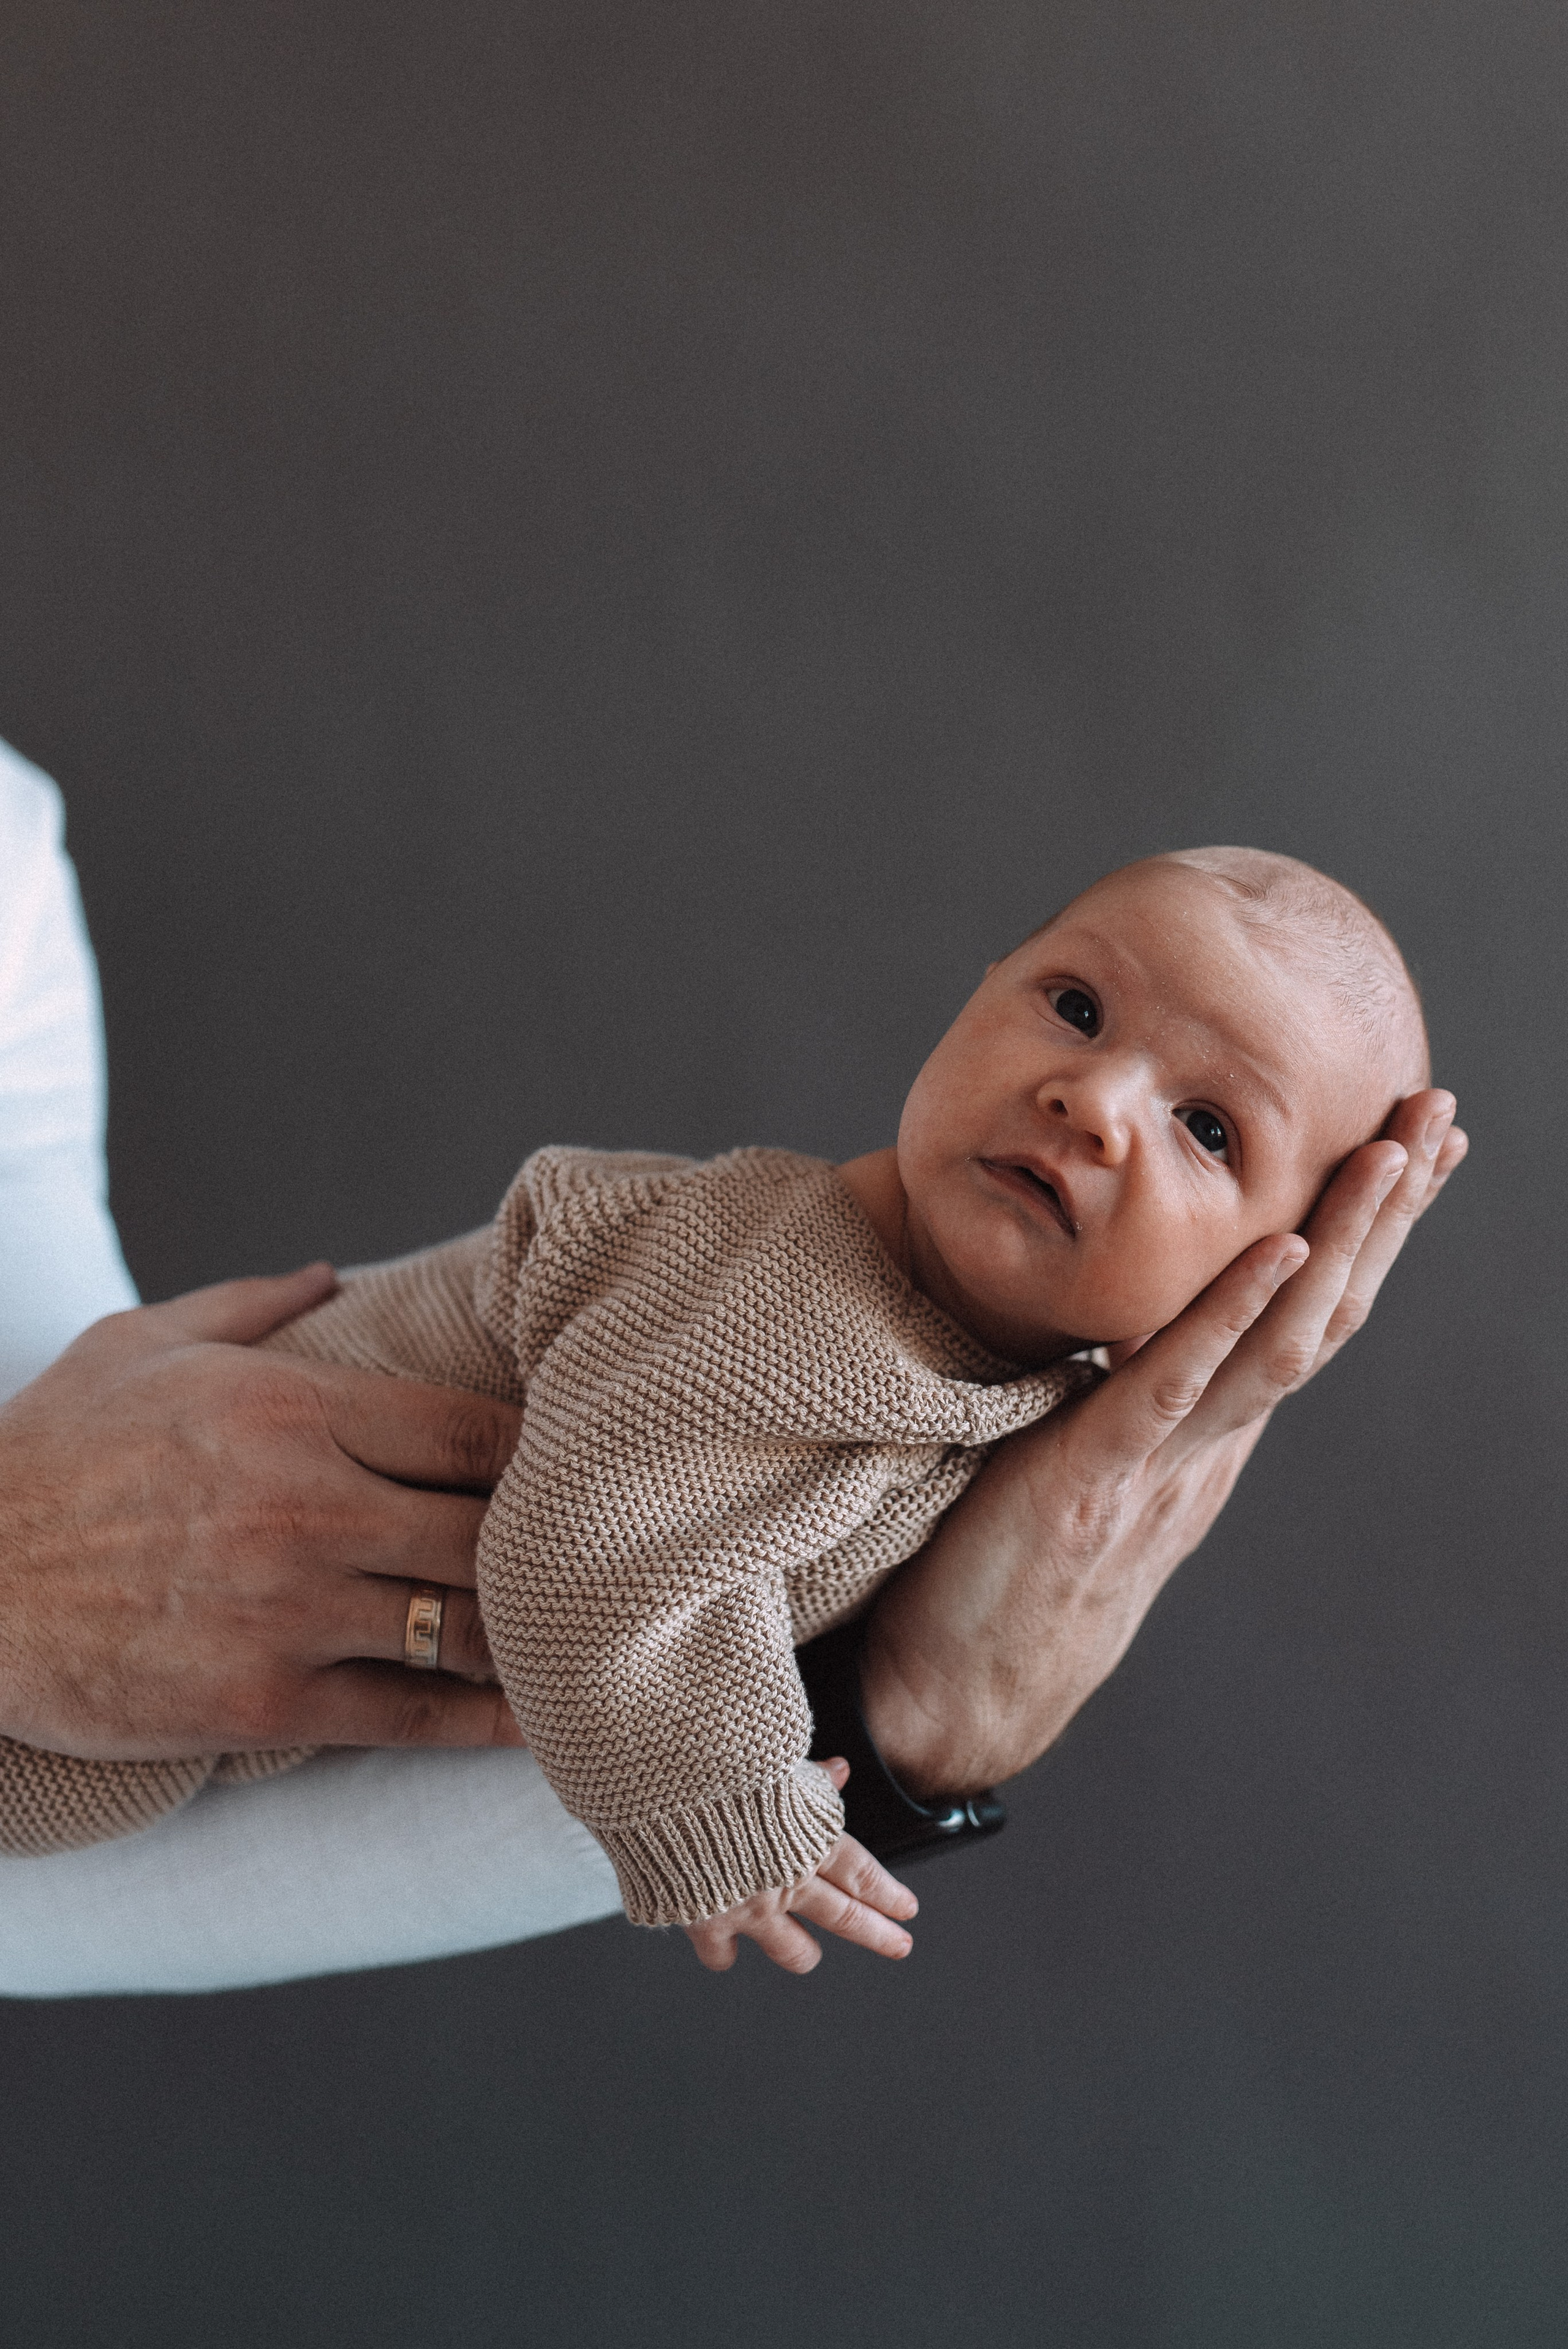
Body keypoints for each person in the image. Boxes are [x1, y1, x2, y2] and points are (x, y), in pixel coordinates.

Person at [1, 805, 1468, 1980]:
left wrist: (910, 1709)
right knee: (81, 1794)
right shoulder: (799, 1298)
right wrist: (728, 1811)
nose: (1093, 1099)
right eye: (1072, 1005)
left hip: (223, 1689)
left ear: (1280, 1276)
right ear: (972, 996)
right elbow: (583, 1550)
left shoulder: (954, 1371)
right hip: (95, 1702)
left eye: (1206, 1127)